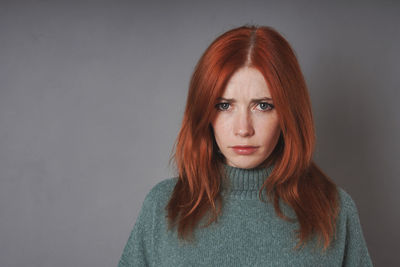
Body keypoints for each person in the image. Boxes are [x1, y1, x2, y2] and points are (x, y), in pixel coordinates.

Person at [118, 25, 373, 266]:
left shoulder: (333, 210)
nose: (243, 129)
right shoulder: (163, 205)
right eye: (224, 106)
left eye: (263, 105)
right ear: (204, 113)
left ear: (288, 114)